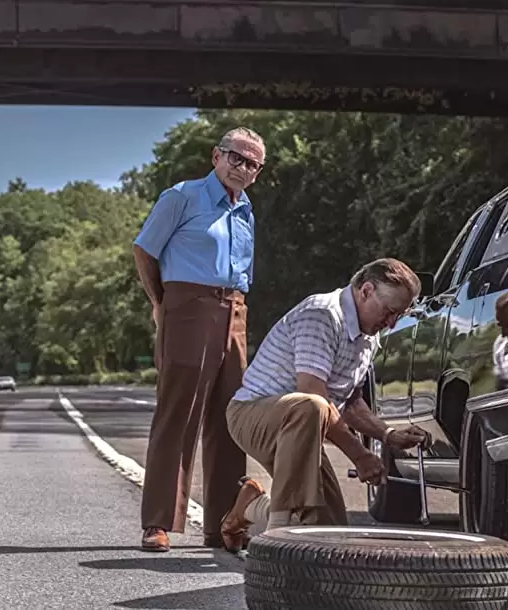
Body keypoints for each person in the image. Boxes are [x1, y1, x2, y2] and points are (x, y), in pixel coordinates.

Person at [217, 258, 431, 551]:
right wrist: (360, 455)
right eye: (389, 311)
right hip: (254, 415)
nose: (391, 322)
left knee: (327, 530)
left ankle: (251, 507)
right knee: (311, 406)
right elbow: (314, 393)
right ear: (366, 290)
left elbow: (350, 401)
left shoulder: (367, 335)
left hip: (304, 425)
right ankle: (279, 535)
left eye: (400, 315)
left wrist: (388, 435)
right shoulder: (322, 315)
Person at [131, 126, 266, 552]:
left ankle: (224, 524)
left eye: (253, 164)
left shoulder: (246, 210)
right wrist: (161, 303)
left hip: (236, 312)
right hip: (187, 307)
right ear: (217, 156)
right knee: (179, 414)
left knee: (231, 420)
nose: (243, 169)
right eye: (237, 158)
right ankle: (158, 522)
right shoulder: (182, 197)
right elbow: (144, 250)